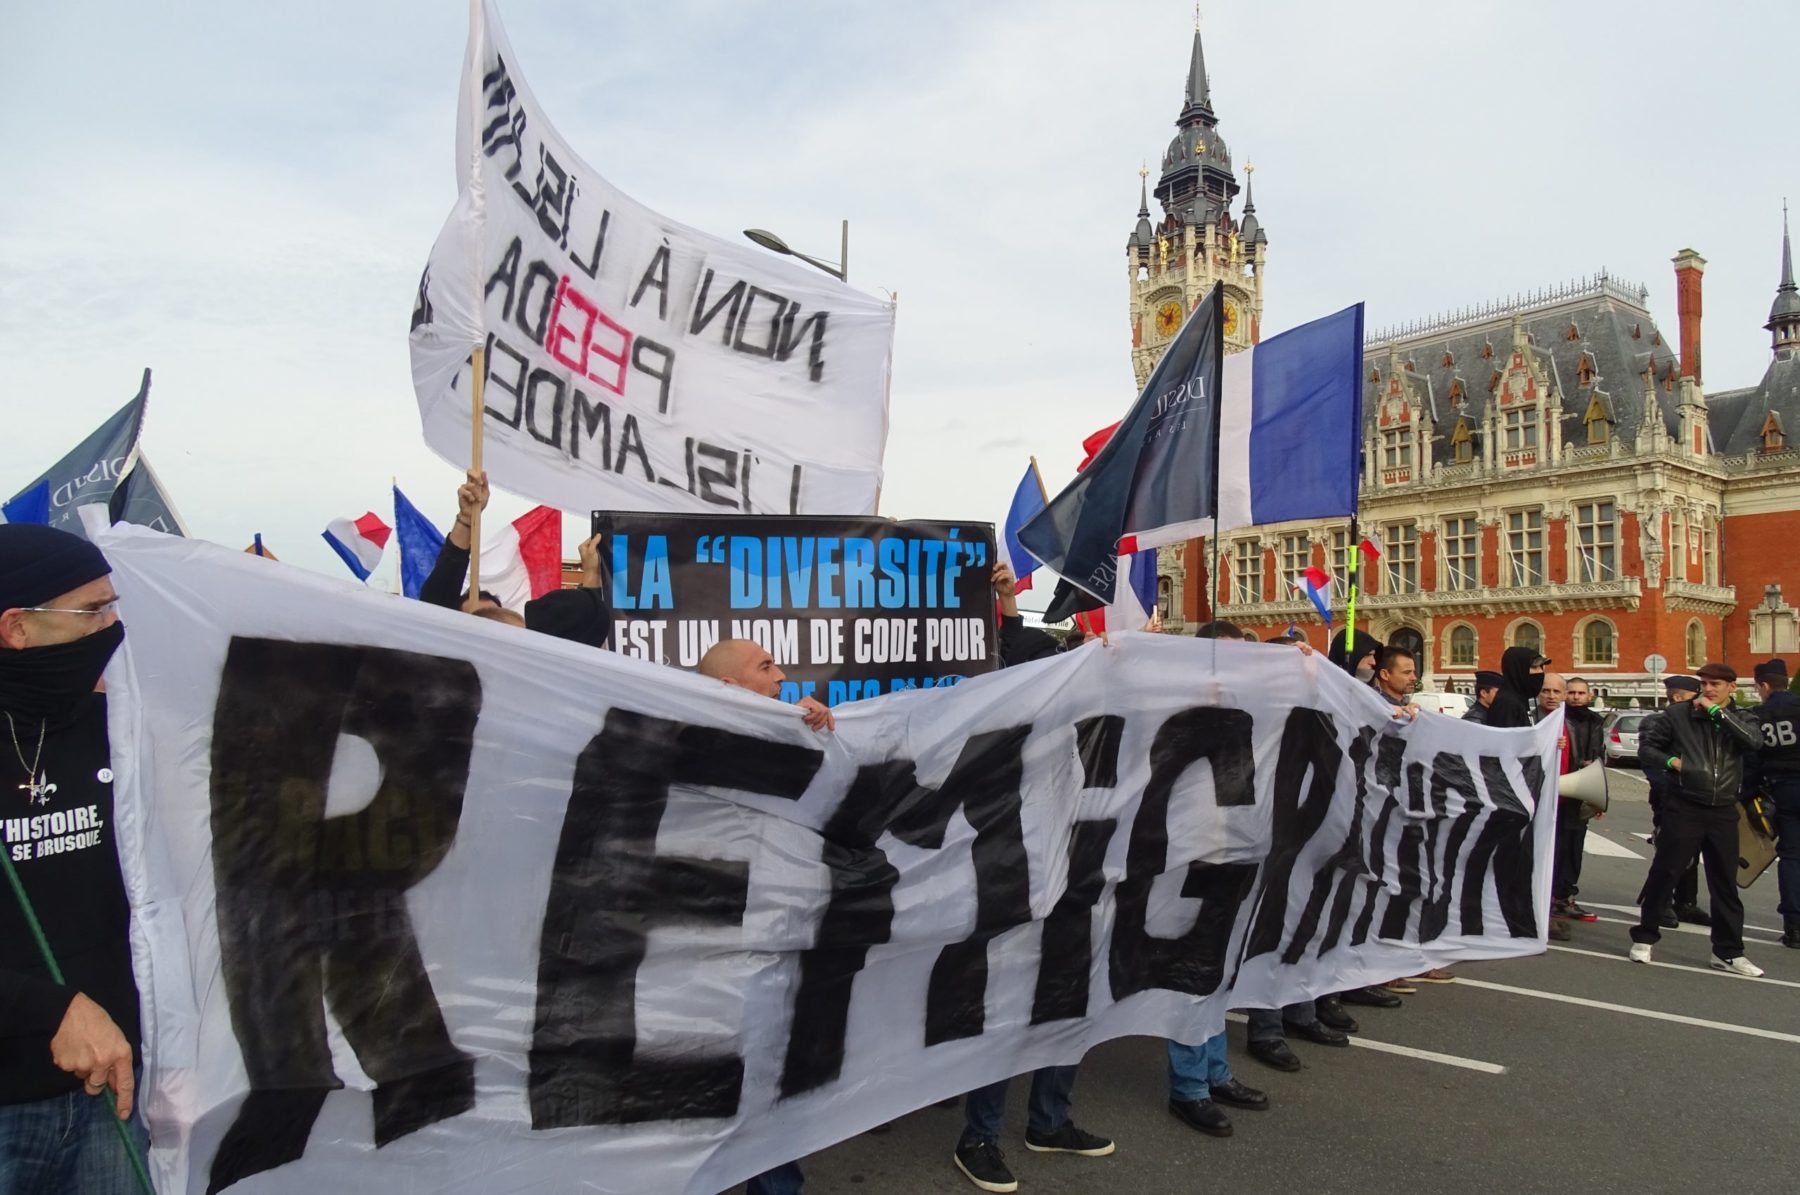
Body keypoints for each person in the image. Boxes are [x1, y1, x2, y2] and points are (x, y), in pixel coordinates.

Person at [0, 524, 147, 1193]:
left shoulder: (117, 728)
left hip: (112, 1093)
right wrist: (50, 1009)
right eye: (92, 609)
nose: (112, 624)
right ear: (17, 628)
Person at [695, 638, 833, 1195]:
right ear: (730, 687)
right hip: (712, 956)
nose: (782, 675)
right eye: (766, 666)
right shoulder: (692, 741)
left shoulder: (790, 735)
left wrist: (822, 735)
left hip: (773, 946)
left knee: (772, 1081)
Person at [1630, 662, 1765, 975]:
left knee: (1725, 884)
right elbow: (1647, 748)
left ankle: (1728, 952)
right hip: (1685, 805)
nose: (1708, 689)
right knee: (1666, 872)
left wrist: (1718, 714)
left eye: (1716, 684)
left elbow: (1754, 742)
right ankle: (1645, 937)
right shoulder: (1679, 715)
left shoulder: (1742, 717)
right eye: (1704, 683)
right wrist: (1671, 761)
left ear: (1732, 687)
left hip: (1723, 810)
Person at [420, 470, 612, 649]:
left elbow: (589, 621)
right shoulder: (449, 675)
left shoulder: (538, 672)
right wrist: (465, 519)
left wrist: (591, 575)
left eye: (497, 619)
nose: (492, 625)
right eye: (478, 620)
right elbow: (436, 600)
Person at [1636, 677, 1708, 928]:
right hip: (1670, 797)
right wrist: (1671, 795)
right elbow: (1652, 762)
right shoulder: (1658, 722)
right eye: (1695, 694)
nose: (1701, 698)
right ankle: (1661, 902)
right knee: (1670, 851)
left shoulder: (1696, 722)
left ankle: (1686, 902)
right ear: (1677, 697)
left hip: (1696, 798)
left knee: (1692, 849)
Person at [1747, 659, 1800, 947]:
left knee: (1792, 857)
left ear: (1763, 685)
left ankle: (1794, 927)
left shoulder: (1758, 715)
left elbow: (1752, 761)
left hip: (1783, 790)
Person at [1552, 677, 1606, 922]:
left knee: (1574, 848)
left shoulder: (1595, 721)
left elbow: (1597, 756)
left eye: (1580, 693)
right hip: (1561, 789)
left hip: (1581, 791)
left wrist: (1596, 797)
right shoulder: (1556, 718)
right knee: (1557, 847)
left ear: (1589, 695)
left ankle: (1566, 896)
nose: (1575, 697)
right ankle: (1552, 896)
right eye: (1571, 692)